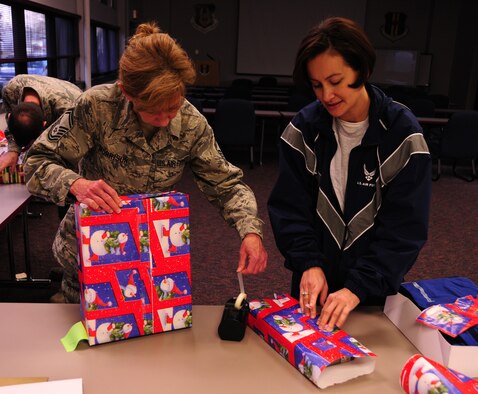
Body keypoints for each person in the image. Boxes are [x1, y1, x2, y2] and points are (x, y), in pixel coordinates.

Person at [24, 22, 268, 303]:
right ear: (127, 92)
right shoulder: (97, 107)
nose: (166, 120)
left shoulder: (191, 124)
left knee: (147, 339)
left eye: (173, 108)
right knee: (82, 337)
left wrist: (250, 230)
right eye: (154, 112)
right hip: (90, 255)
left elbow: (226, 185)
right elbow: (36, 162)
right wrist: (76, 184)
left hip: (152, 260)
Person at [268, 17, 431, 331]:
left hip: (372, 296)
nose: (326, 95)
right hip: (313, 289)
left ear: (364, 71)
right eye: (317, 85)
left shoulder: (403, 136)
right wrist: (309, 264)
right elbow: (290, 210)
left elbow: (404, 231)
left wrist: (359, 286)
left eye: (336, 80)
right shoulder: (302, 131)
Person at [0, 74, 82, 171]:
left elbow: (75, 151)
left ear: (44, 124)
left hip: (78, 111)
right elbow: (14, 124)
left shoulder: (70, 111)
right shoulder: (10, 90)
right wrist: (13, 150)